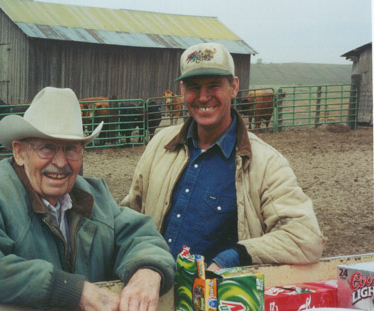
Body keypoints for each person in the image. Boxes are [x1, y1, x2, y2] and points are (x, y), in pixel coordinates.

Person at [0, 87, 175, 311]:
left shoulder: (93, 196)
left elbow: (140, 235)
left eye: (71, 148)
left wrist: (147, 271)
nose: (61, 162)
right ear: (20, 152)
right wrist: (73, 290)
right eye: (47, 147)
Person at [121, 42, 326, 271]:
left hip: (219, 298)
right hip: (153, 293)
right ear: (182, 92)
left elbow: (305, 239)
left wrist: (235, 256)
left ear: (234, 87)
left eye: (214, 85)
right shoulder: (160, 145)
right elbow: (129, 218)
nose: (203, 97)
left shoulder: (266, 163)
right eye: (193, 87)